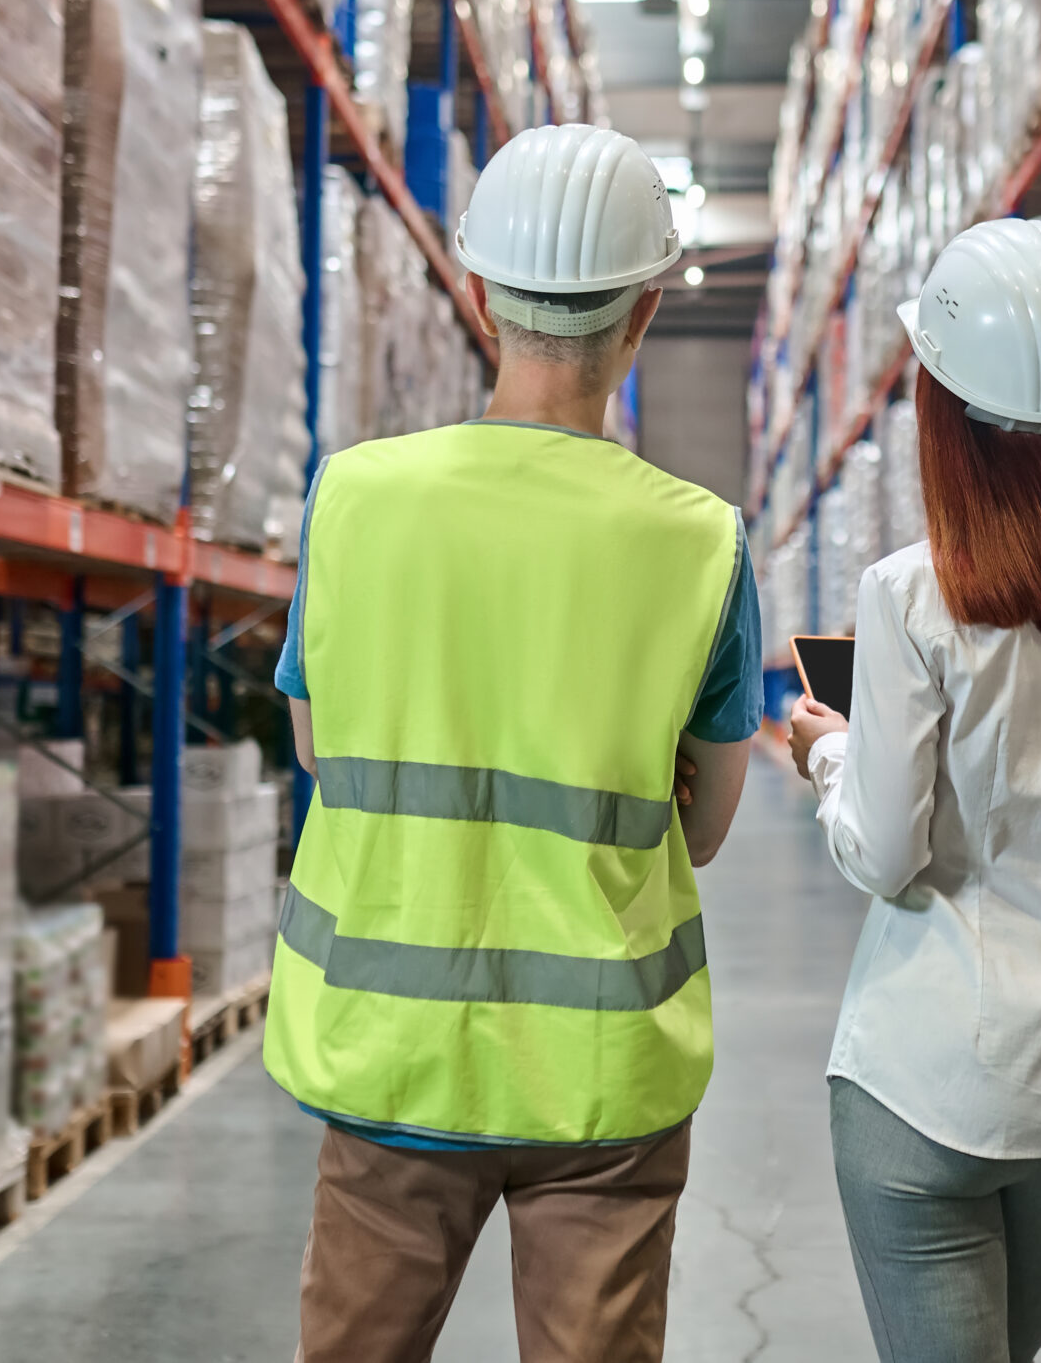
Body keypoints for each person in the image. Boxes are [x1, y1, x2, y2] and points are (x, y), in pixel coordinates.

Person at [266, 122, 762, 1363]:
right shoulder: (698, 539)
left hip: (389, 1054)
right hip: (601, 1071)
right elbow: (701, 824)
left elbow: (323, 748)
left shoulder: (356, 498)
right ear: (641, 316)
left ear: (480, 296)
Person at [785, 217, 1041, 1363]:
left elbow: (880, 852)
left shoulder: (909, 596)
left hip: (921, 1086)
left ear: (944, 410)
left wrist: (827, 750)